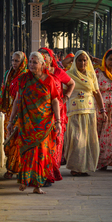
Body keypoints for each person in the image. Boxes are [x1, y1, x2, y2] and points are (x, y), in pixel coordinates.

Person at [7, 51, 61, 194]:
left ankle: (37, 185)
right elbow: (17, 100)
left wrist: (58, 121)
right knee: (27, 152)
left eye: (35, 62)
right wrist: (11, 121)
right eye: (30, 62)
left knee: (42, 154)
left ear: (43, 64)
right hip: (26, 123)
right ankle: (25, 181)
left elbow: (55, 100)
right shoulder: (23, 79)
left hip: (44, 124)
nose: (31, 65)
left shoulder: (49, 80)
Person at [65, 50, 106, 176]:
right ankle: (75, 167)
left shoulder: (91, 75)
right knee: (76, 139)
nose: (82, 63)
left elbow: (97, 93)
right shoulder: (68, 74)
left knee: (88, 140)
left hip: (89, 111)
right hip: (74, 111)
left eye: (84, 60)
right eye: (79, 60)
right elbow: (62, 92)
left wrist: (102, 110)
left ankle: (85, 167)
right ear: (75, 61)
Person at [38, 47, 75, 185]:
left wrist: (66, 97)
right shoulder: (36, 73)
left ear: (50, 58)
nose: (42, 59)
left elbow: (71, 83)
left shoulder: (57, 72)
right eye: (40, 57)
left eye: (45, 56)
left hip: (57, 113)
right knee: (42, 145)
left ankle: (50, 173)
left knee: (55, 144)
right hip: (40, 115)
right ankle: (40, 173)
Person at [0, 51, 28, 179]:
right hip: (9, 114)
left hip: (22, 113)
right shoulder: (8, 74)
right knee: (8, 142)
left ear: (22, 62)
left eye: (17, 61)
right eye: (12, 60)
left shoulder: (26, 76)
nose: (14, 63)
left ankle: (13, 169)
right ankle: (13, 167)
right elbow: (3, 91)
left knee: (17, 142)